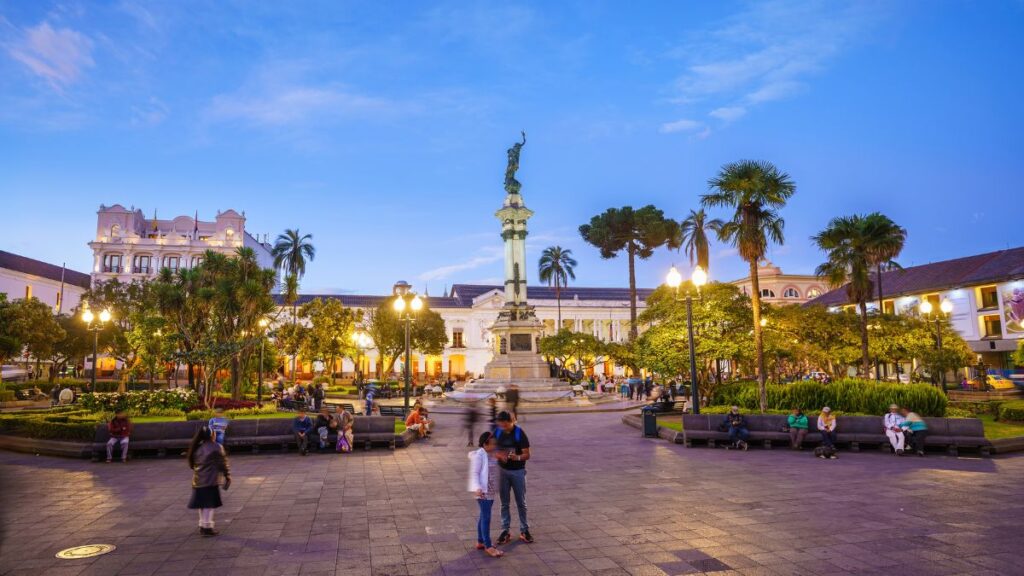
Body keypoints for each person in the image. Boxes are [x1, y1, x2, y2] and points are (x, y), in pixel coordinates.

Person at [493, 411, 533, 545]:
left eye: (506, 424)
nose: (504, 427)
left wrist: (517, 457)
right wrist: (500, 455)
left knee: (521, 502)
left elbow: (527, 454)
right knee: (504, 503)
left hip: (518, 471)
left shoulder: (519, 433)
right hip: (502, 471)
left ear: (512, 421)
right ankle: (505, 530)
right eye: (501, 424)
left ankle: (524, 529)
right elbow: (491, 449)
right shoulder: (497, 432)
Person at [187, 425, 231, 536]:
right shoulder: (216, 447)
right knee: (209, 505)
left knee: (202, 504)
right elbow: (222, 463)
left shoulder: (196, 447)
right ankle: (207, 526)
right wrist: (227, 475)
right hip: (210, 480)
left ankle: (202, 524)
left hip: (198, 480)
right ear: (212, 434)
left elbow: (193, 464)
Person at [468, 431, 504, 558]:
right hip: (483, 491)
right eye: (492, 444)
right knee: (486, 518)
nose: (494, 445)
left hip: (491, 491)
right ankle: (488, 546)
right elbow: (475, 473)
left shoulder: (490, 454)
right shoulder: (479, 456)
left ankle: (480, 541)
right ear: (485, 444)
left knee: (483, 516)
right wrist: (477, 487)